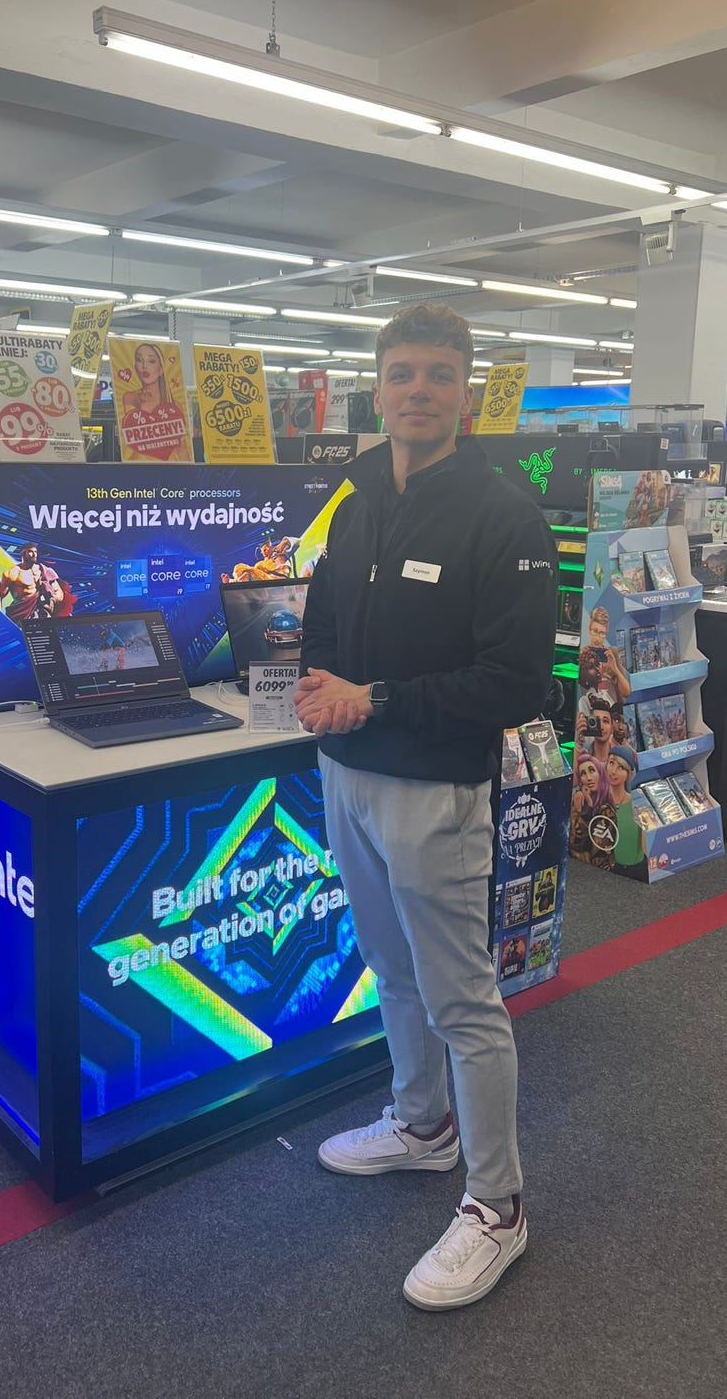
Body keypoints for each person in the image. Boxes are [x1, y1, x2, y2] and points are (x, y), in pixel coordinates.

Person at [294, 303, 557, 1311]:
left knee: (462, 1004)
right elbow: (325, 609)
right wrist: (316, 682)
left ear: (465, 392)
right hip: (348, 772)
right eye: (401, 374)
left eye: (438, 376)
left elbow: (519, 682)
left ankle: (498, 1204)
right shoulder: (357, 496)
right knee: (388, 969)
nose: (417, 392)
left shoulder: (503, 516)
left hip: (436, 790)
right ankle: (422, 1128)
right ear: (377, 387)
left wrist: (380, 699)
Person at [118, 342, 193, 463]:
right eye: (139, 360)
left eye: (151, 361)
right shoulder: (130, 398)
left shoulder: (175, 406)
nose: (144, 366)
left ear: (161, 370)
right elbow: (129, 442)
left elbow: (182, 449)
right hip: (138, 471)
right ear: (135, 367)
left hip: (173, 472)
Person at [0, 543, 69, 623]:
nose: (34, 554)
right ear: (23, 553)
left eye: (35, 552)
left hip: (43, 614)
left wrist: (50, 599)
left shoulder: (45, 571)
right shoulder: (12, 573)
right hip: (21, 615)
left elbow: (59, 594)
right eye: (30, 551)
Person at [606, 744, 646, 876]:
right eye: (611, 763)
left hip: (634, 870)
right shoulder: (599, 801)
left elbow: (645, 847)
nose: (613, 771)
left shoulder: (637, 804)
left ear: (628, 773)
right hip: (605, 871)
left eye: (621, 767)